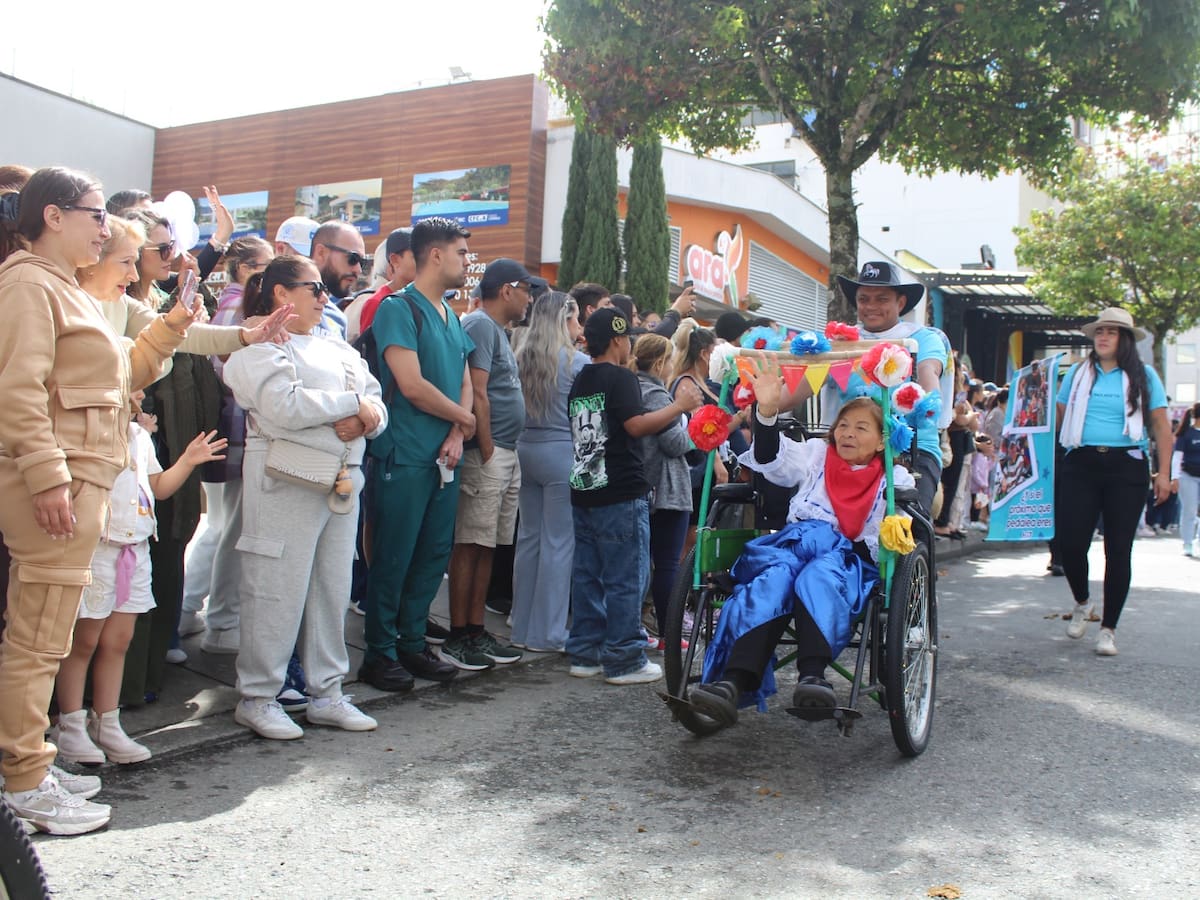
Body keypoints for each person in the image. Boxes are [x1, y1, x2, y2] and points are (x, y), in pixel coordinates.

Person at [0, 167, 201, 835]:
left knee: (47, 634)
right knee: (36, 639)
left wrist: (171, 326)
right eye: (92, 212)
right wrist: (46, 475)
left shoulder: (68, 290)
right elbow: (20, 391)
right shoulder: (30, 284)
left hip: (86, 475)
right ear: (52, 217)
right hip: (61, 480)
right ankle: (22, 779)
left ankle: (29, 761)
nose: (104, 227)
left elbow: (124, 376)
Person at [222, 256, 387, 739]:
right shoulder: (255, 346)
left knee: (331, 589)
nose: (323, 297)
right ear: (280, 293)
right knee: (274, 589)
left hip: (343, 481)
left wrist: (366, 416)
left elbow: (376, 401)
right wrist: (352, 405)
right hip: (285, 480)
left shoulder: (337, 347)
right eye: (313, 288)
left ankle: (327, 692)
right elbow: (283, 405)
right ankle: (258, 696)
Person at [687, 381, 916, 728]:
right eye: (842, 425)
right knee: (772, 582)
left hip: (847, 561)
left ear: (883, 440)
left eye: (861, 427)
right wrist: (766, 414)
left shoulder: (893, 476)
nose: (848, 434)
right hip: (795, 546)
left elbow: (898, 527)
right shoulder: (816, 455)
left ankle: (813, 676)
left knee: (818, 576)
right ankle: (731, 683)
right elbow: (773, 462)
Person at [52, 393, 227, 765]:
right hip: (97, 550)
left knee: (119, 640)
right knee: (84, 640)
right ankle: (70, 724)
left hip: (135, 550)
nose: (139, 394)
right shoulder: (83, 434)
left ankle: (108, 722)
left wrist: (187, 461)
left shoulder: (138, 436)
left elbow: (158, 487)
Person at [360, 217, 475, 692]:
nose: (467, 261)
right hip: (404, 453)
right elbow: (410, 385)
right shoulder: (398, 309)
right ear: (436, 255)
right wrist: (464, 420)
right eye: (462, 252)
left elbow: (465, 381)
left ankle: (411, 643)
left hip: (444, 456)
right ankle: (379, 653)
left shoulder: (452, 315)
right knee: (394, 556)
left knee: (431, 555)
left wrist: (457, 430)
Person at [566, 309, 702, 685]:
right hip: (620, 489)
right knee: (627, 577)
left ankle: (586, 652)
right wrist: (679, 408)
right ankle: (624, 658)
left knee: (588, 575)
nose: (629, 345)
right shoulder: (620, 378)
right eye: (626, 338)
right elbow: (636, 426)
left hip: (585, 488)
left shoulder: (582, 379)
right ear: (616, 340)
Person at [783, 261, 950, 515]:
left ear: (901, 303)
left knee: (909, 523)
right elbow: (797, 390)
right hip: (851, 450)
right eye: (864, 299)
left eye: (881, 299)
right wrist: (766, 405)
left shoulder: (922, 338)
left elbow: (929, 373)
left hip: (911, 450)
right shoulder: (842, 343)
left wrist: (925, 403)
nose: (871, 306)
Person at [179, 236, 277, 655]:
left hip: (231, 430)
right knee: (226, 526)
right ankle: (210, 617)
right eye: (264, 266)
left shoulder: (230, 305)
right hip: (234, 429)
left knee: (223, 525)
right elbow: (224, 367)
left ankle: (188, 613)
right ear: (242, 269)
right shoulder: (236, 308)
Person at [1057, 308, 1172, 656]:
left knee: (1118, 549)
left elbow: (1161, 426)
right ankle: (1082, 602)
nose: (1103, 337)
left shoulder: (1144, 375)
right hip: (1081, 462)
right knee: (1071, 543)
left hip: (1127, 465)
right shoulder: (1077, 374)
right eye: (1099, 331)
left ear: (1124, 340)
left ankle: (1108, 629)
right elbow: (1058, 418)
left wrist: (1164, 473)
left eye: (1112, 332)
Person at [443, 259, 541, 670]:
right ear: (506, 290)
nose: (529, 299)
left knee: (488, 545)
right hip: (489, 453)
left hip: (503, 451)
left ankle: (476, 629)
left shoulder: (496, 330)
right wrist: (484, 447)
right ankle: (459, 635)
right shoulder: (481, 325)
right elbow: (477, 392)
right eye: (526, 291)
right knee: (470, 543)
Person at [511, 292, 589, 653]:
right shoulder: (577, 363)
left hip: (525, 449)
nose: (578, 327)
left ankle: (522, 627)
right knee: (559, 544)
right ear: (563, 320)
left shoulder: (520, 356)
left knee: (529, 540)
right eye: (574, 319)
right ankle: (549, 633)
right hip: (562, 453)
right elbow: (588, 423)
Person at [631, 334, 694, 645]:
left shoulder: (634, 388)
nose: (672, 367)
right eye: (669, 360)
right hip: (666, 489)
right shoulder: (656, 394)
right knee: (667, 562)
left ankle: (648, 626)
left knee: (648, 560)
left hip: (649, 486)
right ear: (659, 363)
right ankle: (669, 630)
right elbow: (675, 443)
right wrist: (696, 428)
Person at [345, 227, 416, 344]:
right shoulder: (378, 302)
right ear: (394, 261)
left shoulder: (422, 301)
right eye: (416, 256)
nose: (425, 263)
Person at [309, 221, 365, 339]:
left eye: (362, 262)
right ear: (321, 253)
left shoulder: (337, 318)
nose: (358, 269)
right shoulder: (277, 305)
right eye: (353, 258)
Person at [1175, 403, 1200, 557]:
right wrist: (1174, 477)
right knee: (1189, 510)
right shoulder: (1186, 434)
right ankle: (1187, 543)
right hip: (1188, 476)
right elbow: (1177, 457)